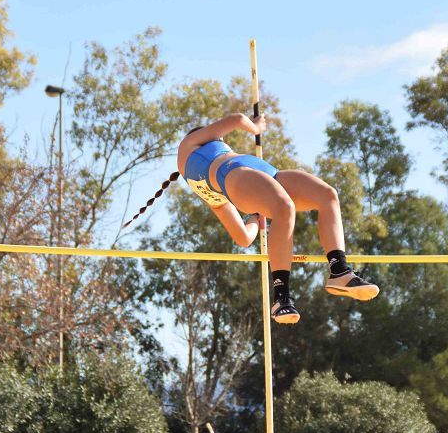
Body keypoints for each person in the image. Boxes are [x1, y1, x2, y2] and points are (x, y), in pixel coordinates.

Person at [126, 113, 379, 324]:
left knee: (327, 195)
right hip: (235, 174)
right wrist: (256, 127)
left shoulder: (206, 188)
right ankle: (282, 297)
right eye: (217, 137)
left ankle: (340, 271)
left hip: (266, 175)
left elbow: (243, 238)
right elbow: (236, 119)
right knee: (284, 208)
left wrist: (254, 217)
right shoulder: (187, 146)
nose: (221, 139)